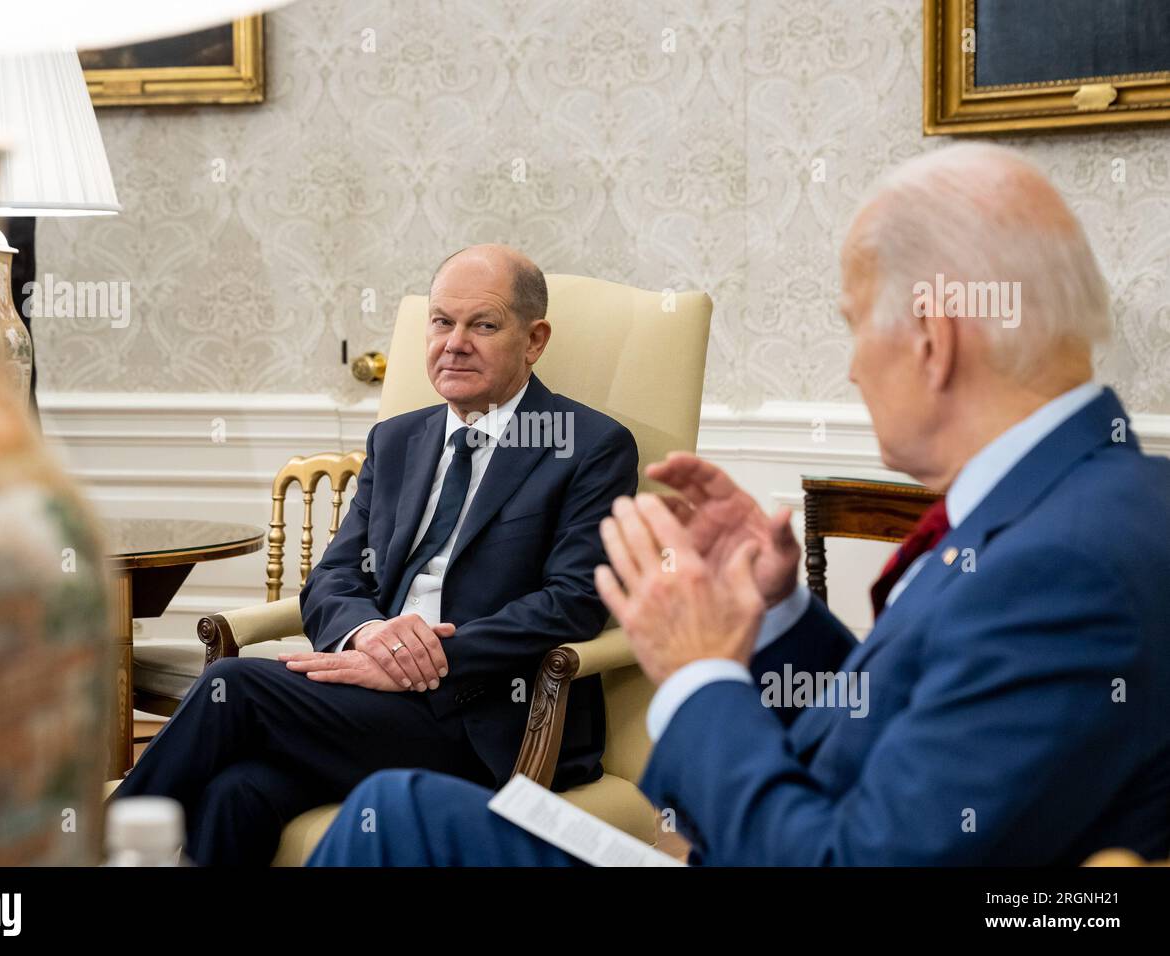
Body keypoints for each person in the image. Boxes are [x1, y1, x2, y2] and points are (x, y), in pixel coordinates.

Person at [307, 144, 1170, 866]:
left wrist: (698, 676)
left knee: (396, 827)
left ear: (934, 342)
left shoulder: (1059, 569)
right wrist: (779, 615)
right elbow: (910, 725)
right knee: (400, 809)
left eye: (854, 327)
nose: (853, 370)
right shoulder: (1092, 499)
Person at [113, 244, 643, 865]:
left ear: (534, 340)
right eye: (442, 321)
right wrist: (368, 637)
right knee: (237, 793)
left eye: (484, 324)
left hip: (490, 717)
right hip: (370, 700)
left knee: (236, 685)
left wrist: (431, 659)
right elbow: (333, 576)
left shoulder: (587, 445)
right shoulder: (398, 439)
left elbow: (573, 602)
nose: (455, 343)